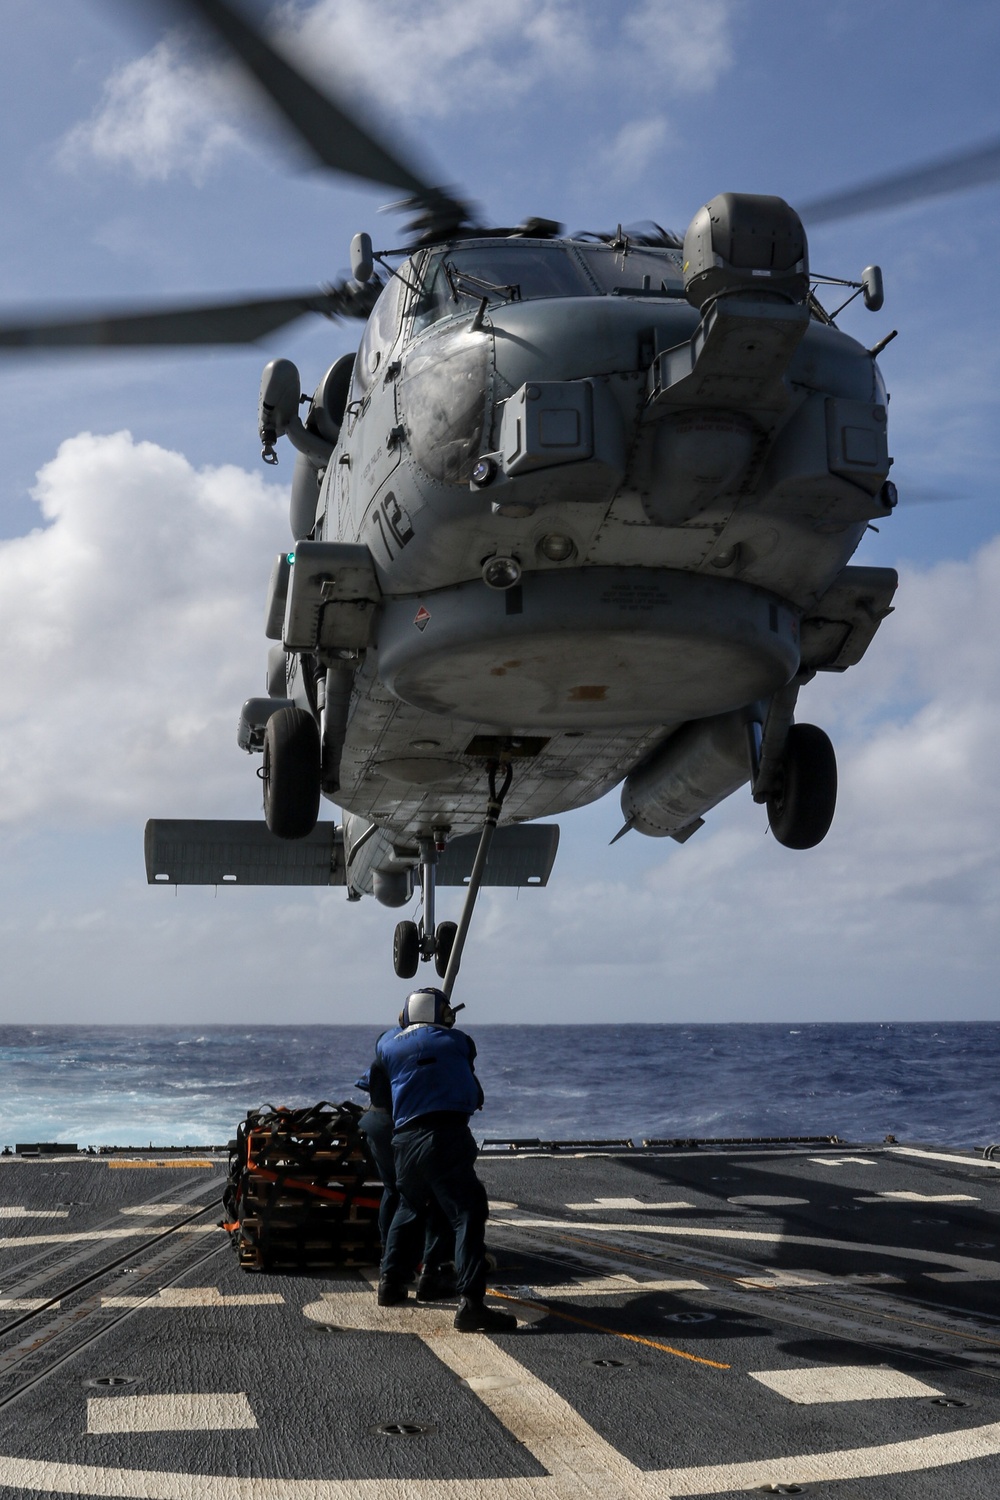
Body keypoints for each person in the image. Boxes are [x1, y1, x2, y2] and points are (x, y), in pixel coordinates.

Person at [370, 987, 516, 1334]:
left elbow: (379, 1095)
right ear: (445, 1015)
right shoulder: (459, 1042)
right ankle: (472, 1303)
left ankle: (390, 1283)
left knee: (408, 1204)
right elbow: (470, 1085)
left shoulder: (386, 1045)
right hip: (446, 1135)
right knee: (467, 1212)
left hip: (404, 1140)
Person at [355, 1044, 455, 1297]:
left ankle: (389, 1264)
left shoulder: (392, 1046)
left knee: (393, 1190)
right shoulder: (432, 1048)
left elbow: (368, 1083)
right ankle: (431, 1270)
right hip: (404, 1127)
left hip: (375, 1124)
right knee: (432, 1196)